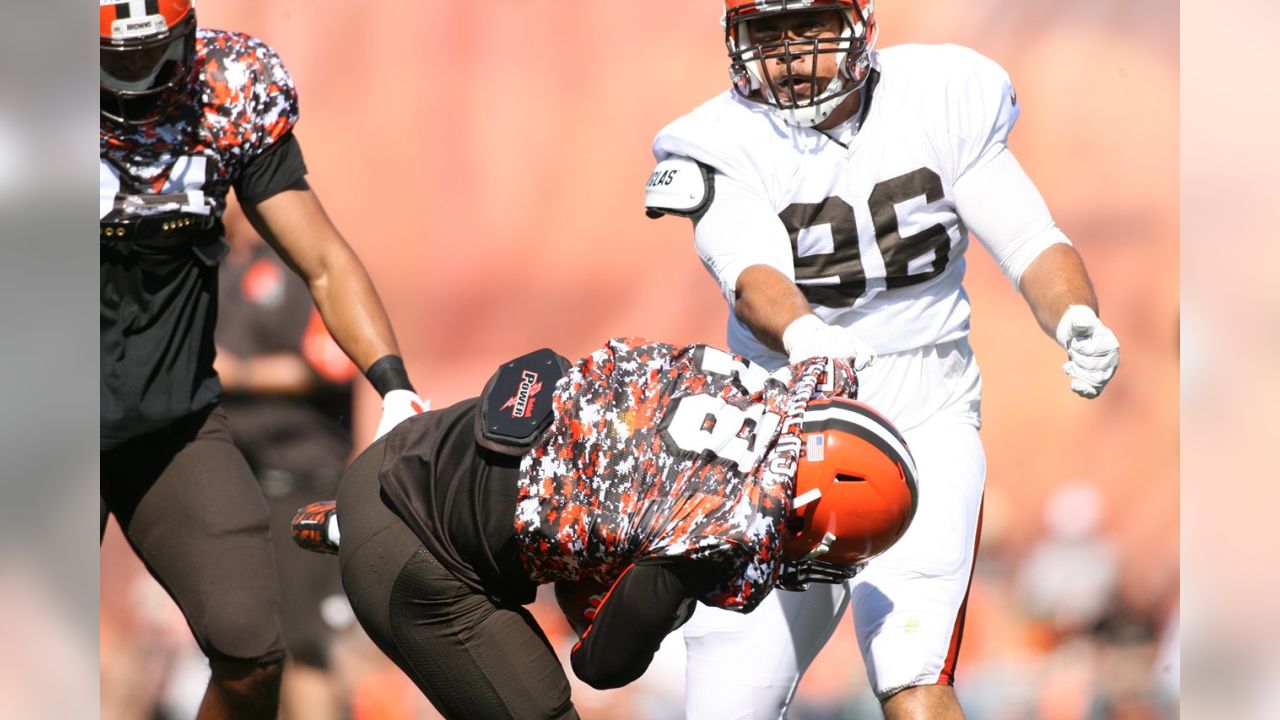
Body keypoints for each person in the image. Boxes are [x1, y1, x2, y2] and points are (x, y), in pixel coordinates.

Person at [643, 1, 1122, 718]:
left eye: (808, 27)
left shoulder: (942, 96)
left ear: (861, 27)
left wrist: (1075, 314)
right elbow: (750, 274)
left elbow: (1030, 240)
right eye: (767, 34)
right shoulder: (717, 137)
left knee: (911, 666)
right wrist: (806, 336)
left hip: (923, 411)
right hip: (778, 425)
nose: (789, 53)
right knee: (725, 701)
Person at [296, 338, 918, 720]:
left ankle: (352, 524)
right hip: (418, 552)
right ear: (809, 509)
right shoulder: (712, 530)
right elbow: (600, 665)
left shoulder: (750, 390)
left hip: (417, 450)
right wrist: (659, 602)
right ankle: (358, 533)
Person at [99, 2, 426, 718]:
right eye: (118, 58)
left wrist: (394, 385)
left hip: (172, 429)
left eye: (154, 52)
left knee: (253, 651)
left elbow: (323, 261)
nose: (141, 76)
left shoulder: (226, 88)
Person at [214, 203, 358, 720]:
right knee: (246, 640)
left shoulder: (305, 269)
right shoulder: (225, 268)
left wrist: (242, 375)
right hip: (244, 480)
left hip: (303, 481)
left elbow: (334, 359)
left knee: (305, 640)